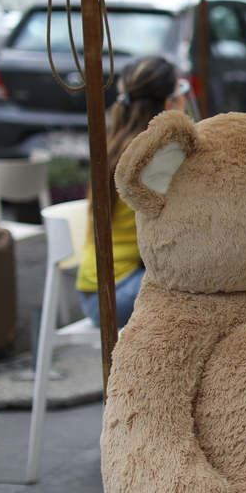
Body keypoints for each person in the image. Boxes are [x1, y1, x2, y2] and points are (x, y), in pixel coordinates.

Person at [75, 56, 193, 327]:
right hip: (114, 295)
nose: (187, 99)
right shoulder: (158, 158)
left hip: (99, 289)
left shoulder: (120, 144)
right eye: (183, 90)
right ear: (169, 104)